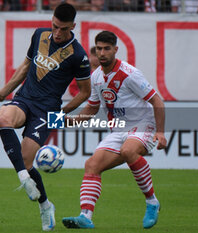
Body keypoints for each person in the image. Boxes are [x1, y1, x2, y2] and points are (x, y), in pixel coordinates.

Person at [0, 3, 91, 231]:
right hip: (25, 99)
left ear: (73, 27)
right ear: (52, 20)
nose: (57, 33)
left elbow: (85, 92)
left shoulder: (78, 55)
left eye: (63, 29)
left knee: (27, 162)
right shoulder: (39, 34)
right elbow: (27, 64)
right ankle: (23, 179)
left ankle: (46, 205)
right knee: (4, 117)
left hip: (47, 111)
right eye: (55, 26)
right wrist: (5, 89)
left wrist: (62, 114)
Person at [62, 31, 167, 230]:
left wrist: (160, 132)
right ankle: (85, 216)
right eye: (99, 49)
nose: (102, 53)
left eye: (107, 49)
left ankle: (152, 202)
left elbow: (156, 100)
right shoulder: (96, 77)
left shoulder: (129, 73)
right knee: (92, 164)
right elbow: (92, 107)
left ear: (115, 50)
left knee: (129, 151)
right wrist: (71, 121)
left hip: (143, 125)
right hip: (119, 129)